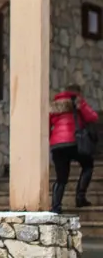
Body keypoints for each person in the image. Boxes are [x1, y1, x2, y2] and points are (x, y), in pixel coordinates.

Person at [50, 84, 98, 213]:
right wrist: (82, 105)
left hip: (57, 145)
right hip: (74, 142)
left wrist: (51, 140)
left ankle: (56, 206)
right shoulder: (77, 101)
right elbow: (93, 117)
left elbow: (47, 124)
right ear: (78, 92)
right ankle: (80, 197)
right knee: (88, 165)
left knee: (61, 178)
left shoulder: (54, 104)